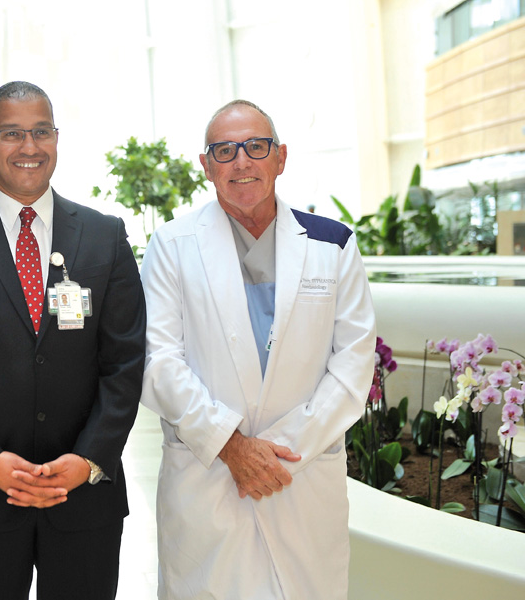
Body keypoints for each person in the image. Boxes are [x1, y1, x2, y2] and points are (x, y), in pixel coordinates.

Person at [0, 81, 146, 600]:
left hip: (84, 498)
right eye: (12, 133)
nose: (29, 147)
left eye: (41, 132)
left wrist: (88, 461)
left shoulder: (105, 235)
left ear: (57, 138)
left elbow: (124, 362)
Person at [140, 100, 375, 599]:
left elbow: (354, 364)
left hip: (301, 476)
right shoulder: (172, 245)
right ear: (205, 166)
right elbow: (158, 361)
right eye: (224, 151)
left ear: (281, 157)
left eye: (256, 146)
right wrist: (231, 445)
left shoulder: (331, 244)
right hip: (209, 476)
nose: (241, 162)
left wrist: (277, 455)